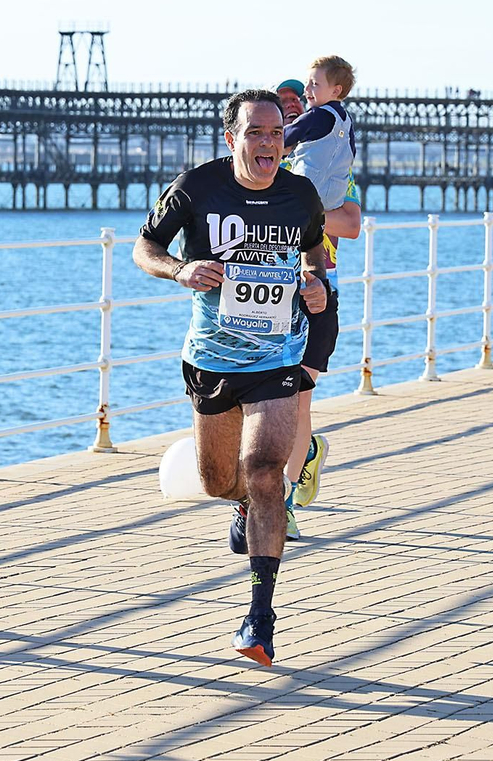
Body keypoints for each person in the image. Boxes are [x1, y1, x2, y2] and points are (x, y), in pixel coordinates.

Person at [133, 88, 329, 666]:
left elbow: (316, 255)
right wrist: (180, 268)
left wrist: (317, 285)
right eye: (255, 133)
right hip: (213, 359)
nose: (268, 142)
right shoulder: (197, 187)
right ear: (232, 138)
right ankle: (240, 506)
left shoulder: (299, 194)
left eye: (275, 133)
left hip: (278, 356)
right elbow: (144, 248)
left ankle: (260, 617)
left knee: (265, 471)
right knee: (221, 480)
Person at [275, 80, 363, 541]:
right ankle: (302, 455)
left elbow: (350, 225)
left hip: (316, 287)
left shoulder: (329, 163)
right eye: (284, 103)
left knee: (296, 400)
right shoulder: (267, 169)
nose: (292, 108)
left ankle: (284, 503)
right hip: (265, 292)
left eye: (298, 102)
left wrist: (295, 211)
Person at [281, 56, 357, 212]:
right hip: (335, 198)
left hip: (307, 190)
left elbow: (284, 137)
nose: (306, 89)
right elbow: (351, 152)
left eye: (314, 84)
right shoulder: (347, 120)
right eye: (307, 83)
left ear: (336, 90)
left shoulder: (316, 115)